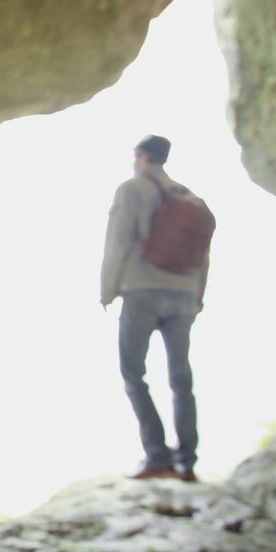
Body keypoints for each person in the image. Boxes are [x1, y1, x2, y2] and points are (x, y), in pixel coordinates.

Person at [100, 135, 210, 482]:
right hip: (183, 294)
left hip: (141, 290)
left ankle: (157, 456)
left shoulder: (133, 189)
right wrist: (197, 296)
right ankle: (187, 462)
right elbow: (204, 255)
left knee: (134, 374)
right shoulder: (191, 198)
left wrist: (107, 290)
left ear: (140, 157)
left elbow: (117, 241)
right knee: (181, 378)